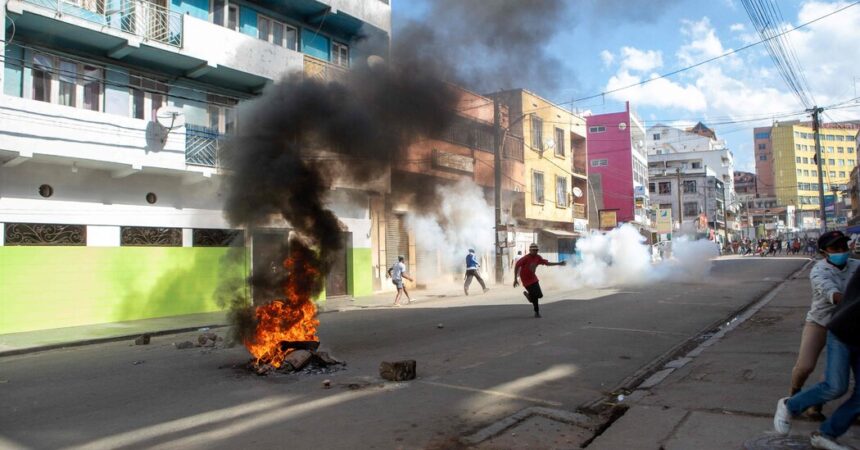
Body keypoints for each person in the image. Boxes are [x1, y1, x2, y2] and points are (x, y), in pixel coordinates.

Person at [775, 230, 860, 449]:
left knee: (834, 377)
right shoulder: (819, 270)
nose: (841, 251)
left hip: (852, 325)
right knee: (807, 367)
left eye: (844, 247)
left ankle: (817, 410)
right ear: (824, 253)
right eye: (835, 248)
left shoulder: (855, 265)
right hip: (823, 323)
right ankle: (793, 398)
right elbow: (832, 294)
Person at [513, 243, 566, 318]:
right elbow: (517, 265)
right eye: (533, 250)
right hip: (525, 279)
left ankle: (529, 296)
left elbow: (547, 263)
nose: (535, 252)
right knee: (535, 297)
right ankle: (537, 312)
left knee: (539, 295)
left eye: (536, 250)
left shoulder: (538, 257)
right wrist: (515, 279)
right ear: (530, 250)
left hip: (533, 278)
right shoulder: (526, 258)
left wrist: (559, 263)